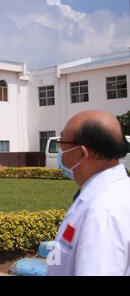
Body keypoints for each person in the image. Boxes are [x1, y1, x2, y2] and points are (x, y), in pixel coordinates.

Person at [47, 110, 130, 276]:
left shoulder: (103, 212)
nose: (61, 154)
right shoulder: (103, 195)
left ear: (82, 153)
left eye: (62, 145)